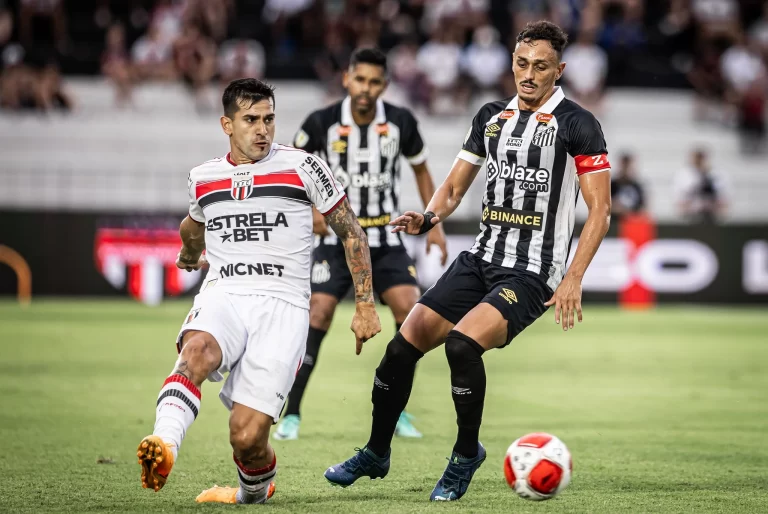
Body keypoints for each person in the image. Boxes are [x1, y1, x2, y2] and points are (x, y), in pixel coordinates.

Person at [324, 21, 613, 502]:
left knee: (461, 346)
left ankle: (464, 455)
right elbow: (455, 185)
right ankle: (376, 452)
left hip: (532, 271)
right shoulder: (491, 116)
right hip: (479, 258)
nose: (528, 74)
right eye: (521, 63)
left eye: (540, 66)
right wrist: (429, 215)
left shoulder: (578, 124)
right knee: (401, 348)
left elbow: (600, 210)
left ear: (558, 71)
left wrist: (573, 278)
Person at [136, 78, 381, 505]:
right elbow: (193, 224)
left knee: (247, 437)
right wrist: (189, 253)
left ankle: (253, 491)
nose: (262, 129)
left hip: (283, 306)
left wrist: (364, 303)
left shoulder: (303, 166)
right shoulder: (203, 176)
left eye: (268, 119)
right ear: (226, 124)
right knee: (195, 352)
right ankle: (165, 445)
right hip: (225, 292)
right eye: (250, 120)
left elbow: (351, 231)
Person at [273, 47, 448, 441]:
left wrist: (433, 220)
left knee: (411, 310)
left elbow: (421, 169)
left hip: (385, 238)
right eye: (360, 80)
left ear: (384, 85)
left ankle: (396, 408)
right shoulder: (321, 123)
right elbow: (291, 170)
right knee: (318, 312)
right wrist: (312, 214)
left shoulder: (402, 121)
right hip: (337, 239)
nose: (366, 89)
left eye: (374, 82)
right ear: (347, 79)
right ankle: (292, 413)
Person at [610, 153, 646, 219]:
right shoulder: (611, 185)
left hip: (631, 224)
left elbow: (642, 207)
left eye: (628, 166)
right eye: (624, 166)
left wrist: (627, 212)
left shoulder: (637, 187)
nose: (626, 169)